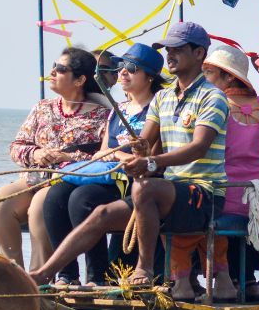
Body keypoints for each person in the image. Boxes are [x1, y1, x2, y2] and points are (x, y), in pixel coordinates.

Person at [27, 21, 231, 293]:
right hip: (169, 193)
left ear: (199, 54)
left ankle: (143, 270)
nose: (170, 55)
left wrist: (151, 162)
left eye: (178, 50)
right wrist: (131, 152)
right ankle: (44, 273)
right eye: (168, 49)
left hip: (203, 195)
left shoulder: (212, 97)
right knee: (101, 213)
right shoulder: (164, 98)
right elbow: (144, 143)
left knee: (144, 187)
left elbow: (199, 148)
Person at [40, 44, 166, 286]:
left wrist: (126, 157)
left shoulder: (158, 109)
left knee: (82, 199)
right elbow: (104, 150)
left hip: (136, 181)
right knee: (55, 196)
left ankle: (97, 276)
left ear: (149, 77)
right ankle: (67, 275)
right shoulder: (118, 110)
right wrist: (118, 156)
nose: (123, 73)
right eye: (121, 67)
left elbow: (155, 153)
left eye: (132, 68)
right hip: (111, 173)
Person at [0, 47, 109, 270]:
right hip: (33, 179)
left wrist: (67, 156)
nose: (52, 72)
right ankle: (12, 273)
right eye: (53, 67)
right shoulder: (42, 108)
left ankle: (39, 279)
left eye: (61, 69)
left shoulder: (102, 115)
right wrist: (36, 154)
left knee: (38, 206)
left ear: (80, 80)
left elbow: (104, 157)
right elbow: (16, 147)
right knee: (0, 203)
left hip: (66, 182)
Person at [192, 44, 259, 299]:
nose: (203, 78)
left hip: (225, 195)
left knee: (185, 208)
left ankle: (192, 279)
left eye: (208, 72)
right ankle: (247, 281)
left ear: (228, 76)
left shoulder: (214, 107)